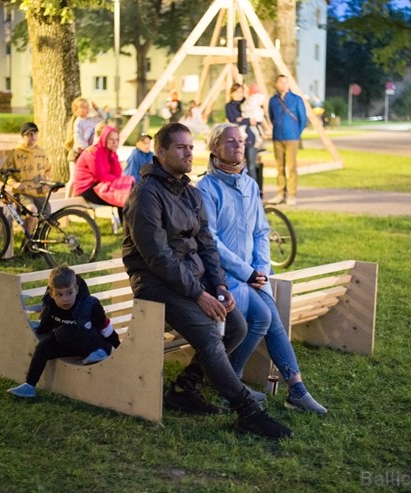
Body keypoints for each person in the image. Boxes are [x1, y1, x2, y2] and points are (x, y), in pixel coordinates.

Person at [122, 122, 293, 439]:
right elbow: (158, 258)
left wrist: (220, 287)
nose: (188, 152)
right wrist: (201, 295)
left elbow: (207, 246)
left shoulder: (189, 192)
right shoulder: (146, 195)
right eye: (180, 147)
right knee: (209, 336)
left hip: (192, 282)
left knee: (238, 326)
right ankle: (248, 412)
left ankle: (185, 388)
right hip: (155, 285)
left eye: (190, 147)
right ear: (160, 152)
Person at [198, 124, 328, 415]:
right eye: (230, 141)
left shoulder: (249, 184)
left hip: (252, 275)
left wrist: (262, 269)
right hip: (223, 278)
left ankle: (295, 388)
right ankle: (232, 381)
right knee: (264, 317)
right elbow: (211, 241)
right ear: (214, 148)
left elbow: (261, 231)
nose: (238, 145)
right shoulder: (206, 188)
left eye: (241, 141)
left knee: (271, 317)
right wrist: (246, 272)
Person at [7, 264, 121, 398]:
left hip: (97, 345)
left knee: (62, 332)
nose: (65, 299)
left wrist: (118, 350)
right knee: (44, 346)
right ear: (51, 293)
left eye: (69, 293)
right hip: (72, 345)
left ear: (77, 289)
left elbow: (106, 329)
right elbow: (45, 327)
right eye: (59, 294)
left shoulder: (88, 306)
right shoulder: (51, 307)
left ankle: (97, 352)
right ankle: (29, 386)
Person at [1, 122, 52, 237]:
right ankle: (27, 243)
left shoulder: (41, 153)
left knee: (47, 215)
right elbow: (3, 173)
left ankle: (37, 244)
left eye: (35, 133)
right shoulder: (16, 153)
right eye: (29, 134)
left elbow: (48, 170)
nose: (33, 136)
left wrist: (47, 182)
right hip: (23, 193)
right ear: (23, 137)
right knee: (32, 210)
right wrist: (14, 184)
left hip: (39, 192)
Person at [74, 125, 133, 221]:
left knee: (130, 187)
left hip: (100, 185)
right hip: (87, 188)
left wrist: (113, 156)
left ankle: (131, 231)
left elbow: (118, 174)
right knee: (124, 199)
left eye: (117, 140)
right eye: (111, 139)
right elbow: (101, 176)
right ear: (104, 138)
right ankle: (128, 233)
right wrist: (116, 180)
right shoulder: (93, 152)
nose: (115, 142)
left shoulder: (110, 152)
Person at [268, 75, 307, 206]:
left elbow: (303, 119)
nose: (284, 85)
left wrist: (296, 133)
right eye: (281, 83)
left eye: (286, 82)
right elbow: (271, 117)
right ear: (276, 84)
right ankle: (280, 194)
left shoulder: (296, 99)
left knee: (291, 167)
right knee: (279, 167)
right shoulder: (273, 100)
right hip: (277, 137)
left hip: (292, 137)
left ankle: (292, 195)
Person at [64, 97, 104, 197]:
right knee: (73, 178)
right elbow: (77, 137)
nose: (85, 109)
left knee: (83, 178)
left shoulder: (91, 120)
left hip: (86, 154)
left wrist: (97, 109)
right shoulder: (78, 122)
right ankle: (66, 199)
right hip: (77, 153)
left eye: (87, 107)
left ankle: (75, 198)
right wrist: (86, 147)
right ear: (75, 110)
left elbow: (103, 117)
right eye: (82, 107)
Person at [225, 83, 260, 189]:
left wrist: (244, 121)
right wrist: (248, 120)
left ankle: (253, 190)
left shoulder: (248, 103)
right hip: (237, 140)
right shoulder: (229, 106)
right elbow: (233, 120)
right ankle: (239, 188)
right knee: (237, 165)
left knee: (251, 166)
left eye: (241, 92)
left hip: (250, 138)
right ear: (232, 93)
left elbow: (256, 119)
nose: (240, 94)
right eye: (237, 92)